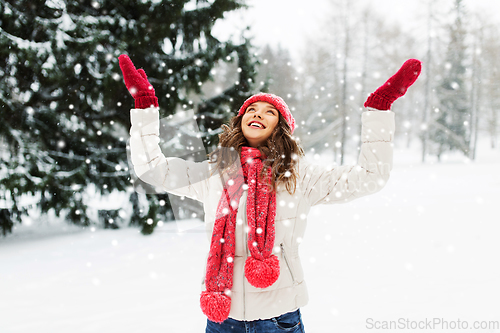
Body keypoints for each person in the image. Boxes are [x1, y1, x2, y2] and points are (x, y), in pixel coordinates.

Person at [119, 54, 422, 332]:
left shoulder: (298, 176)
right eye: (251, 109)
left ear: (281, 128)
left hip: (279, 320)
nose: (258, 114)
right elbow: (151, 167)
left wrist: (378, 109)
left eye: (269, 112)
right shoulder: (216, 172)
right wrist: (145, 105)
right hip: (222, 320)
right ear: (240, 121)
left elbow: (370, 177)